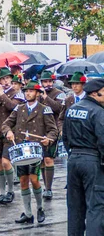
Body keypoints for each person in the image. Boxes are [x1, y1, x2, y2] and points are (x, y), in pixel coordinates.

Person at [2, 81, 58, 224]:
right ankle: (27, 213)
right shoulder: (19, 108)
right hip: (21, 150)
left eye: (31, 91)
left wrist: (48, 139)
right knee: (23, 181)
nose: (28, 93)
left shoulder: (44, 109)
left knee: (34, 179)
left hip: (35, 150)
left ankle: (39, 208)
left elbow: (53, 130)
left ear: (38, 93)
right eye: (26, 91)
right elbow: (6, 123)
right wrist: (8, 131)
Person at [63, 78, 104, 236]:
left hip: (73, 160)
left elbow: (65, 137)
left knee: (75, 210)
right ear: (97, 93)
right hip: (92, 161)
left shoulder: (72, 109)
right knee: (95, 208)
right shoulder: (98, 112)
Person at [0, 67, 25, 205]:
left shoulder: (18, 93)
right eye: (2, 79)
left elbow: (12, 106)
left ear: (11, 79)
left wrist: (1, 93)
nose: (5, 81)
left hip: (11, 132)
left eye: (7, 78)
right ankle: (2, 192)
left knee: (6, 162)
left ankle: (10, 190)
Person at [38, 70, 66, 200]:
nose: (47, 84)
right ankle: (45, 185)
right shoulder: (37, 94)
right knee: (42, 161)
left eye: (49, 81)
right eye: (45, 81)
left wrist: (46, 98)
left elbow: (59, 109)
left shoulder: (59, 94)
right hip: (39, 131)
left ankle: (48, 188)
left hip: (52, 130)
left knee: (49, 159)